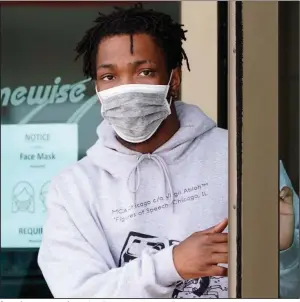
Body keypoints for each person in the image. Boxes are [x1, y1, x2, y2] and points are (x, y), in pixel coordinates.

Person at [38, 5, 299, 298]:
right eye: (109, 77)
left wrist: (284, 254)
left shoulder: (243, 159)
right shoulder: (74, 188)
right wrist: (172, 264)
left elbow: (289, 291)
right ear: (97, 88)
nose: (126, 89)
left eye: (144, 71)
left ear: (173, 80)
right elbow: (77, 294)